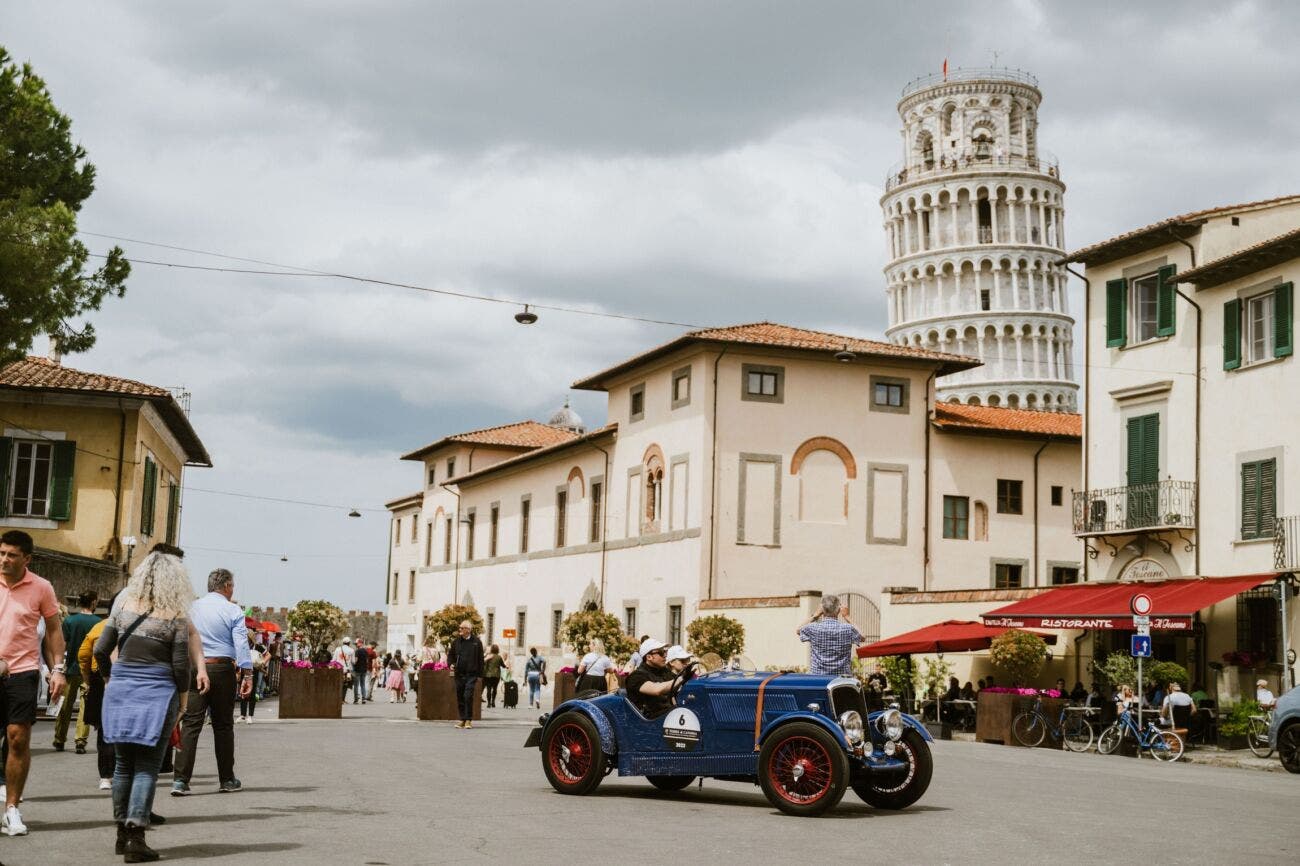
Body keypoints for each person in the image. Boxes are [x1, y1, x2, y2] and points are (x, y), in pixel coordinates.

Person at [96, 550, 193, 861]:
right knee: (148, 767)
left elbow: (100, 649)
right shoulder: (175, 615)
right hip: (157, 691)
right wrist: (183, 697)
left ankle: (120, 834)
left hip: (121, 690)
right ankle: (137, 836)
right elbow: (181, 666)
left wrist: (112, 677)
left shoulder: (122, 607)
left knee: (123, 765)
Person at [0, 529, 67, 835]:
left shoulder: (41, 587)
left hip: (23, 671)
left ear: (26, 558)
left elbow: (54, 632)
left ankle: (12, 808)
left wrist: (58, 670)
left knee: (18, 738)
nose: (4, 559)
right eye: (1, 553)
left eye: (11, 555)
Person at [172, 568, 252, 797]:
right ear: (226, 586)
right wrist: (247, 674)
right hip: (221, 668)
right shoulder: (232, 609)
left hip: (195, 667)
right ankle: (226, 778)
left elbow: (181, 639)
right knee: (223, 725)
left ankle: (180, 780)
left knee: (191, 723)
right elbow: (241, 645)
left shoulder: (192, 608)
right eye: (232, 586)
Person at [52, 590, 99, 754]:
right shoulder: (99, 623)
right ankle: (80, 741)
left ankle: (59, 739)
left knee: (65, 706)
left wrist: (58, 668)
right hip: (90, 671)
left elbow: (62, 645)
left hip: (71, 669)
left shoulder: (70, 621)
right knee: (85, 707)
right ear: (93, 602)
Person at [795, 594, 863, 677]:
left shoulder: (813, 628)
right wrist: (847, 616)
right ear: (839, 610)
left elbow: (798, 630)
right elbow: (862, 637)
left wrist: (815, 615)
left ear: (822, 610)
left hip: (817, 679)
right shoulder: (848, 629)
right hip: (841, 681)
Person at [625, 639, 684, 718]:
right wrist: (682, 678)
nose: (665, 655)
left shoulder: (664, 671)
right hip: (649, 721)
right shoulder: (636, 676)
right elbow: (656, 690)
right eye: (661, 652)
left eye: (665, 651)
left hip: (667, 717)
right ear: (649, 657)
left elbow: (676, 688)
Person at [447, 621, 483, 729]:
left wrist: (480, 675)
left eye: (462, 628)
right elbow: (451, 655)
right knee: (460, 696)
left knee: (468, 696)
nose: (460, 630)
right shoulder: (456, 642)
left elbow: (481, 659)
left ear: (468, 629)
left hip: (471, 674)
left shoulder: (476, 642)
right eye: (460, 628)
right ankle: (462, 719)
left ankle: (468, 720)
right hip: (459, 674)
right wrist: (451, 664)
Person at [239, 635, 269, 723]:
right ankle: (242, 715)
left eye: (246, 637)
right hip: (244, 669)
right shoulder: (243, 646)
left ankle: (250, 715)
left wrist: (262, 663)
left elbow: (268, 655)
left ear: (250, 637)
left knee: (252, 692)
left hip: (254, 670)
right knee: (243, 691)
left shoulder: (258, 646)